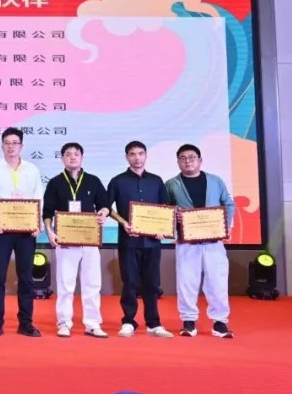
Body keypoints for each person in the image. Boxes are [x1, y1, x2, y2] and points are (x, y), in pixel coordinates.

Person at [165, 144, 236, 339]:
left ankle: (220, 322)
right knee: (186, 282)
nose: (188, 161)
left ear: (200, 160)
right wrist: (174, 218)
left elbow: (229, 204)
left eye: (192, 157)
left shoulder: (215, 181)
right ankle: (188, 322)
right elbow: (164, 209)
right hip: (187, 242)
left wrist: (226, 226)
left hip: (213, 241)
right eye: (183, 158)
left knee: (217, 282)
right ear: (178, 162)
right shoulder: (171, 184)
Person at [107, 141, 174, 338]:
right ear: (126, 157)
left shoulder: (156, 181)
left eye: (140, 153)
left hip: (152, 242)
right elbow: (106, 207)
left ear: (146, 155)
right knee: (129, 282)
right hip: (129, 241)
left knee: (152, 283)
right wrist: (123, 222)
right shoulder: (118, 181)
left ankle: (154, 323)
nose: (137, 158)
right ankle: (129, 321)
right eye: (132, 154)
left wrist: (163, 228)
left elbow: (165, 208)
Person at [42, 142, 110, 338]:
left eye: (76, 154)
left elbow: (105, 204)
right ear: (62, 158)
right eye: (68, 154)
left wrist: (103, 213)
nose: (72, 157)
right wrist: (50, 232)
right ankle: (64, 322)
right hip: (65, 240)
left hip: (89, 239)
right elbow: (47, 211)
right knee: (65, 283)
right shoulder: (55, 183)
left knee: (92, 283)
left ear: (82, 157)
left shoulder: (93, 181)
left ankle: (93, 323)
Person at [0, 127, 44, 337]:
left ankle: (26, 323)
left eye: (15, 143)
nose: (11, 146)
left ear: (21, 146)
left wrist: (36, 223)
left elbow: (38, 198)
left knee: (26, 277)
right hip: (1, 230)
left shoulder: (32, 169)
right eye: (7, 143)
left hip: (26, 231)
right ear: (2, 146)